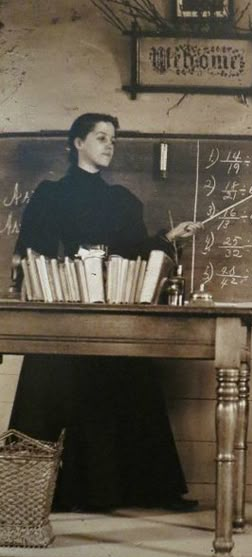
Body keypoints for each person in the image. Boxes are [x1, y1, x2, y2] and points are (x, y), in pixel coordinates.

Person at [10, 112, 202, 513]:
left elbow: (134, 252)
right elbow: (33, 254)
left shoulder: (122, 201)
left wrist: (167, 238)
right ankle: (39, 495)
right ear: (76, 143)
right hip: (64, 315)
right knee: (53, 384)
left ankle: (143, 492)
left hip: (113, 314)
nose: (109, 145)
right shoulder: (51, 195)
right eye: (100, 137)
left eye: (112, 139)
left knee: (132, 380)